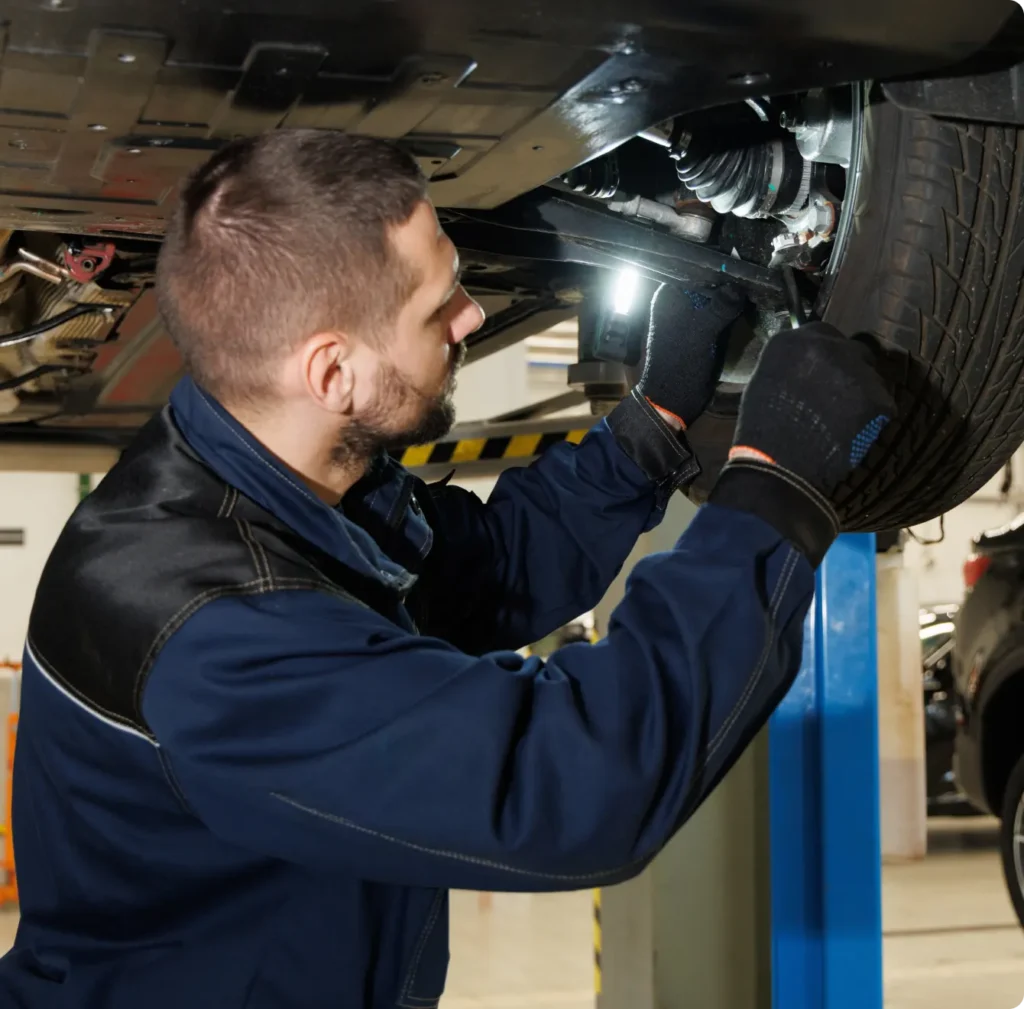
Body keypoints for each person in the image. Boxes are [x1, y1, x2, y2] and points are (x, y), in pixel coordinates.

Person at [0, 130, 894, 1009]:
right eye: (439, 307)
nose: (471, 316)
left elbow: (490, 570)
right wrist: (772, 494)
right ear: (331, 370)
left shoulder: (281, 474)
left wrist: (651, 424)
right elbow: (573, 783)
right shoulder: (218, 630)